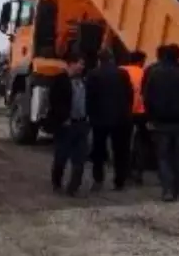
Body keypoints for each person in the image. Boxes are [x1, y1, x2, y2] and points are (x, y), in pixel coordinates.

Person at [141, 44, 179, 202]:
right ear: (178, 56)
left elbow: (147, 98)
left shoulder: (155, 74)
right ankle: (178, 189)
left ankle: (166, 189)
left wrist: (149, 118)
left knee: (163, 157)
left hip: (161, 123)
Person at [85, 49, 135, 191]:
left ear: (99, 60)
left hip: (100, 119)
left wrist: (90, 116)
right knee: (120, 151)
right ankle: (119, 181)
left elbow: (89, 97)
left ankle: (98, 179)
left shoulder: (93, 74)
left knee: (99, 150)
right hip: (121, 118)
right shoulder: (122, 74)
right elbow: (129, 94)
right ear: (112, 59)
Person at [49, 54, 90, 195]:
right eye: (80, 63)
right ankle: (56, 183)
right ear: (71, 64)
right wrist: (62, 118)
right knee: (61, 157)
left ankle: (73, 187)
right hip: (66, 126)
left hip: (81, 125)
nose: (82, 67)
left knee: (79, 159)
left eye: (83, 64)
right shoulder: (60, 80)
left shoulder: (83, 81)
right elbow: (54, 102)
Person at [120, 50, 150, 185]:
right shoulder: (145, 73)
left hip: (124, 112)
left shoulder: (120, 71)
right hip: (141, 112)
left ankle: (123, 170)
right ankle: (138, 171)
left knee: (123, 142)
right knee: (141, 143)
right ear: (140, 61)